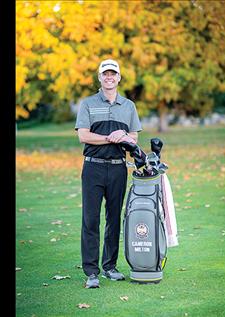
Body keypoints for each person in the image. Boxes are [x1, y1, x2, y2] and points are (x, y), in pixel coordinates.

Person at [75, 59, 142, 288]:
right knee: (90, 219)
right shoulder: (88, 104)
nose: (109, 77)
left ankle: (110, 267)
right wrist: (110, 137)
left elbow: (134, 138)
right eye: (106, 74)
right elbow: (83, 135)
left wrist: (123, 135)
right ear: (100, 77)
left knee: (114, 218)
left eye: (113, 74)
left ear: (119, 77)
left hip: (117, 167)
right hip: (93, 167)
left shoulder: (129, 106)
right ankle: (91, 272)